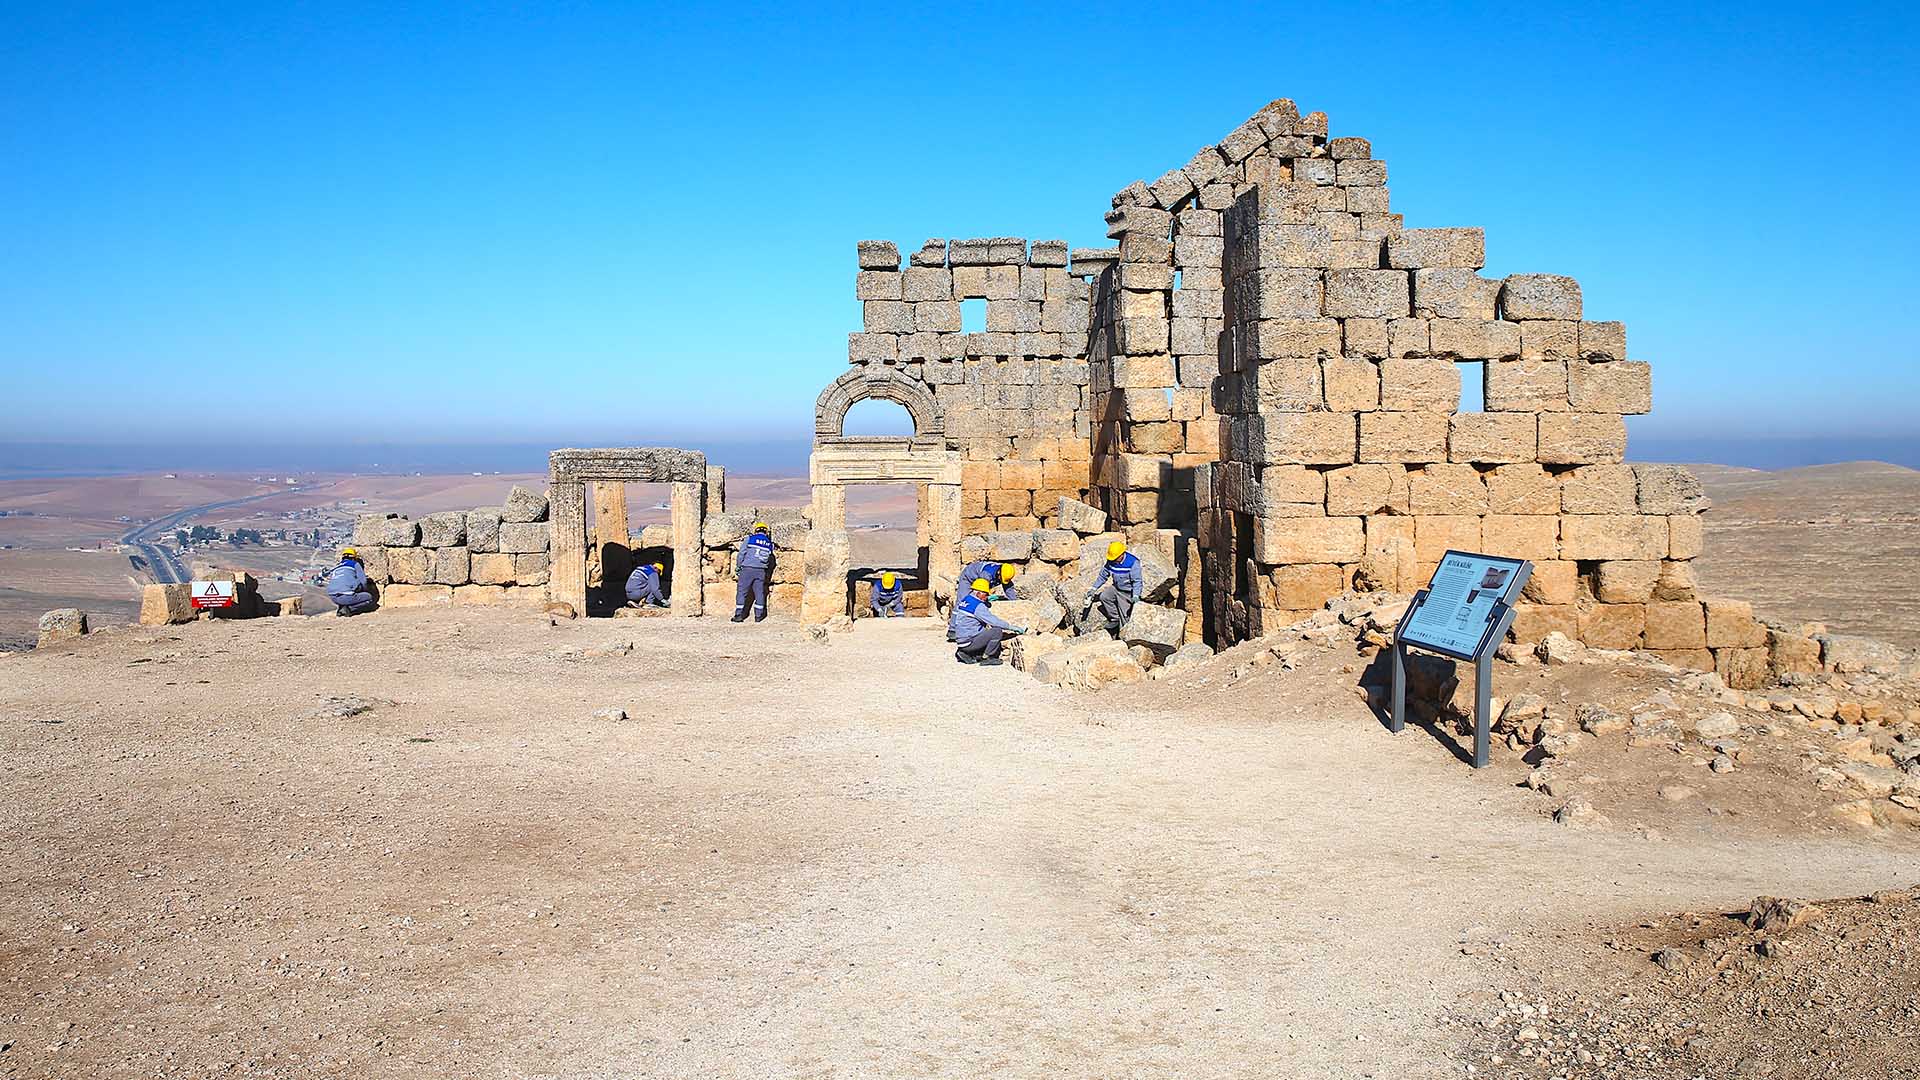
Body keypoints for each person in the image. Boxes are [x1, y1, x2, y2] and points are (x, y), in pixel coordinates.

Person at [952, 577, 1026, 666]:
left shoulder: (966, 599)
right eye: (986, 594)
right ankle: (988, 658)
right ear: (978, 593)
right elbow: (994, 621)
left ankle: (965, 653)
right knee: (996, 631)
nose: (986, 596)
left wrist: (987, 600)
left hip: (962, 641)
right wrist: (1011, 627)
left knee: (984, 630)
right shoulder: (978, 606)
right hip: (969, 642)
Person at [1082, 540, 1143, 634]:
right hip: (1116, 588)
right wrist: (1093, 588)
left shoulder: (1133, 563)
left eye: (1115, 558)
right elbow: (1103, 576)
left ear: (1122, 554)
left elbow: (1137, 581)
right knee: (1104, 597)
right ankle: (1115, 619)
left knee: (1124, 615)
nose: (1113, 560)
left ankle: (1123, 636)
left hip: (1127, 592)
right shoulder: (1111, 561)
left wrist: (1135, 595)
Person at [948, 560, 1017, 640]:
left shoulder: (1005, 572)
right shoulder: (986, 574)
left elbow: (1009, 589)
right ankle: (952, 630)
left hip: (981, 582)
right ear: (999, 573)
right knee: (963, 602)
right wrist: (987, 598)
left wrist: (1015, 603)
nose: (1002, 581)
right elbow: (980, 592)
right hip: (968, 579)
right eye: (1001, 579)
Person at [733, 522, 774, 623]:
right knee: (759, 592)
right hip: (761, 570)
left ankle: (739, 615)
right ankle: (759, 616)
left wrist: (738, 567)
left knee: (742, 592)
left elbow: (741, 554)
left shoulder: (750, 539)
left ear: (756, 530)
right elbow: (769, 559)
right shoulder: (769, 543)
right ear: (766, 531)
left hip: (747, 568)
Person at [325, 547, 377, 616]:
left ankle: (341, 608)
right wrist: (364, 590)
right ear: (354, 558)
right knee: (369, 598)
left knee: (347, 591)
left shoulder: (336, 567)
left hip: (333, 597)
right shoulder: (354, 564)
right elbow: (363, 581)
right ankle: (349, 609)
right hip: (347, 596)